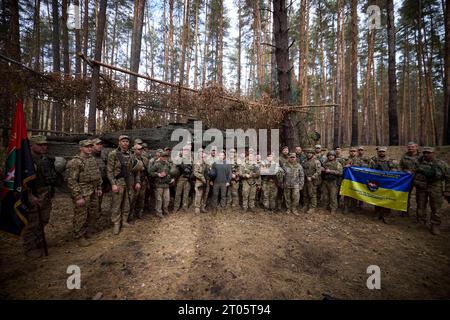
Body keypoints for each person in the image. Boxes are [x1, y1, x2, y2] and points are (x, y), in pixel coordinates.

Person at [23, 135, 57, 258]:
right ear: (31, 145)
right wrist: (29, 196)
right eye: (40, 144)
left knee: (44, 218)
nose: (44, 147)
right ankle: (29, 247)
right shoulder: (26, 161)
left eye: (45, 144)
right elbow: (21, 181)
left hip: (46, 193)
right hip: (34, 194)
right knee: (33, 221)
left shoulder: (45, 159)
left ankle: (38, 241)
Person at [66, 140, 102, 247]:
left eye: (91, 146)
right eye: (87, 147)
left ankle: (87, 231)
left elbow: (97, 175)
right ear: (81, 148)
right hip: (83, 192)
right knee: (81, 214)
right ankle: (79, 236)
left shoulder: (92, 159)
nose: (90, 148)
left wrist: (99, 187)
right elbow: (72, 181)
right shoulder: (75, 162)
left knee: (92, 212)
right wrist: (78, 196)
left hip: (93, 190)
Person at [107, 135, 141, 235]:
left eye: (126, 141)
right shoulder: (113, 154)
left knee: (127, 202)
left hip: (129, 182)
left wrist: (137, 182)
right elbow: (109, 171)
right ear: (119, 142)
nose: (125, 143)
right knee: (117, 204)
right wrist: (113, 184)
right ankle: (116, 224)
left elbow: (136, 170)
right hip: (119, 182)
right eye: (123, 141)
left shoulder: (131, 155)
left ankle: (124, 221)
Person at [413, 147, 450, 235]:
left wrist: (448, 190)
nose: (426, 154)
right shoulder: (418, 162)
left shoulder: (441, 164)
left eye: (428, 153)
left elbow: (448, 177)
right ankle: (421, 222)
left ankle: (435, 225)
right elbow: (412, 172)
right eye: (424, 153)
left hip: (435, 188)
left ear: (433, 153)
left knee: (435, 207)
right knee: (420, 205)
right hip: (421, 187)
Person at [369, 146, 397, 223]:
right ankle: (377, 213)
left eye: (383, 151)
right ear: (378, 152)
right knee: (377, 198)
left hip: (387, 183)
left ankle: (386, 215)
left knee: (386, 199)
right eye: (380, 151)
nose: (381, 153)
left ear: (385, 152)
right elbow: (369, 170)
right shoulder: (374, 160)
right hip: (377, 182)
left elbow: (394, 172)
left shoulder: (390, 160)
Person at [148, 151, 175, 218]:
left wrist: (171, 178)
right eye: (163, 156)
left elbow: (171, 172)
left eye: (166, 157)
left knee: (167, 199)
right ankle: (159, 213)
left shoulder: (168, 164)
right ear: (160, 157)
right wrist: (158, 174)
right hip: (159, 185)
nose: (165, 158)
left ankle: (165, 211)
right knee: (159, 200)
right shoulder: (157, 164)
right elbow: (150, 172)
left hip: (166, 184)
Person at [400, 141, 420, 216]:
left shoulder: (421, 156)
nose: (410, 148)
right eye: (409, 147)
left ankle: (420, 214)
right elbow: (400, 166)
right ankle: (405, 211)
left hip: (419, 179)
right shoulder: (404, 156)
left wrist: (415, 172)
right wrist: (405, 171)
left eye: (412, 147)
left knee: (420, 196)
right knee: (406, 195)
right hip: (407, 179)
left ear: (416, 147)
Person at [130, 143, 148, 220]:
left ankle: (139, 212)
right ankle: (130, 215)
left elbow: (147, 171)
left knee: (141, 198)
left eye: (141, 149)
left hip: (143, 181)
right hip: (133, 182)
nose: (140, 150)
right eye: (138, 149)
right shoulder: (130, 158)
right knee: (133, 199)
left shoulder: (145, 159)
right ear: (134, 150)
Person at [173, 144, 193, 212]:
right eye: (185, 150)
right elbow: (174, 168)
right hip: (180, 178)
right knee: (178, 193)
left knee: (186, 194)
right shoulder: (178, 158)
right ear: (182, 151)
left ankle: (185, 206)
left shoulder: (190, 158)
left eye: (187, 150)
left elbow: (191, 168)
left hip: (188, 179)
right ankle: (176, 207)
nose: (186, 151)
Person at [302, 148, 322, 213]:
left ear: (313, 154)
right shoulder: (304, 161)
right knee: (305, 193)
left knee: (312, 194)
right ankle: (305, 205)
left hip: (312, 181)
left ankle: (312, 207)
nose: (308, 154)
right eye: (307, 153)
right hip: (305, 180)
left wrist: (312, 177)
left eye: (310, 153)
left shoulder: (316, 161)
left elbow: (319, 171)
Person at [91, 138, 106, 214]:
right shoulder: (89, 157)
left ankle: (98, 214)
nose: (100, 146)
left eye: (100, 144)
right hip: (91, 185)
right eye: (97, 144)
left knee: (99, 200)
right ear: (92, 146)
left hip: (101, 183)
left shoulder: (102, 157)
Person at [193, 149, 209, 213]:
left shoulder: (207, 164)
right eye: (203, 157)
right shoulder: (197, 163)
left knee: (205, 194)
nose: (204, 158)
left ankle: (203, 207)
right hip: (199, 181)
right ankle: (197, 208)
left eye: (205, 157)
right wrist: (201, 177)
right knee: (198, 195)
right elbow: (195, 172)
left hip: (207, 181)